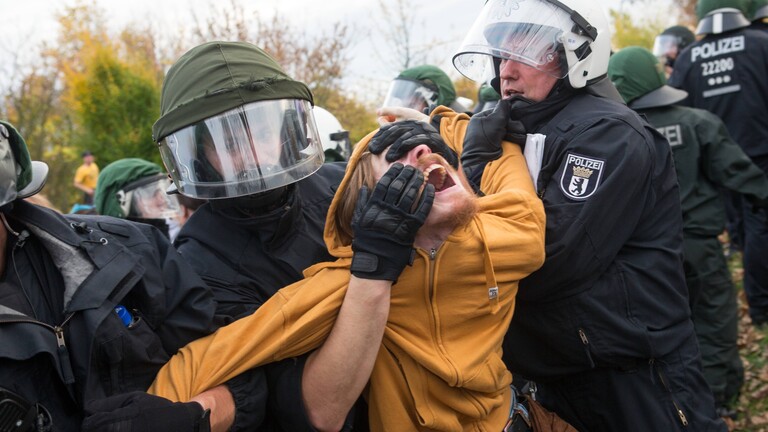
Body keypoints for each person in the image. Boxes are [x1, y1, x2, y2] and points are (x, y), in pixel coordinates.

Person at [444, 0, 727, 430]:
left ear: (575, 54)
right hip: (554, 373)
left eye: (527, 52)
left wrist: (481, 167)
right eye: (502, 53)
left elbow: (547, 258)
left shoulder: (608, 133)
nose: (507, 71)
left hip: (633, 378)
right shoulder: (520, 131)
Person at [0, 120, 243, 431]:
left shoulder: (136, 253)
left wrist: (198, 414)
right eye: (148, 194)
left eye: (161, 192)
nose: (160, 203)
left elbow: (239, 368)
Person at [608, 45, 768, 417]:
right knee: (715, 318)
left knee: (669, 329)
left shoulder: (616, 133)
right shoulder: (698, 121)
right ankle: (720, 395)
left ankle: (684, 401)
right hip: (699, 246)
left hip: (645, 258)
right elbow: (741, 175)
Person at [668, 0, 768, 327]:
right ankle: (762, 305)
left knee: (742, 223)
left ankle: (756, 300)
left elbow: (675, 108)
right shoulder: (760, 43)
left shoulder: (689, 58)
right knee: (761, 226)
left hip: (714, 158)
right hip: (758, 153)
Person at [93, 158, 183, 239]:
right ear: (123, 204)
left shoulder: (175, 232)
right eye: (150, 193)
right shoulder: (117, 253)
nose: (162, 200)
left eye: (162, 191)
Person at [382, 65, 471, 114]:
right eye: (403, 105)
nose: (405, 109)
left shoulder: (464, 128)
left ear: (434, 98)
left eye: (412, 105)